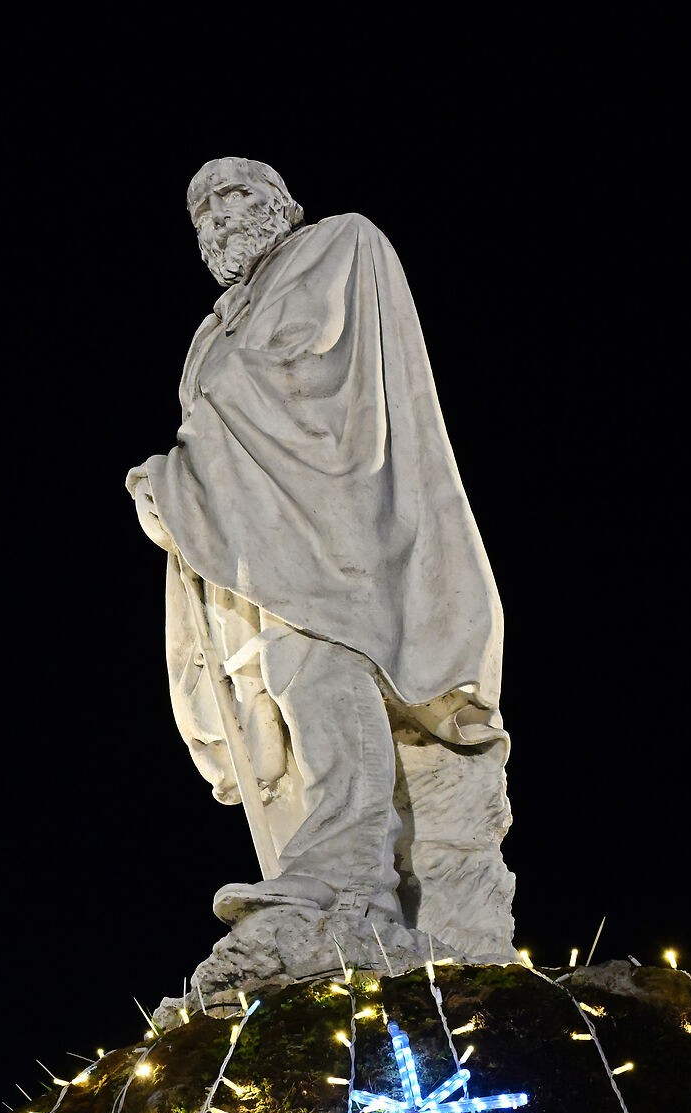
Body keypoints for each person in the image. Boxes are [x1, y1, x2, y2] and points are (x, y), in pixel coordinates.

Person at [126, 157, 516, 989]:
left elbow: (298, 368)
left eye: (236, 197)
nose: (220, 219)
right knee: (287, 694)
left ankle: (349, 878)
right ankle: (343, 870)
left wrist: (184, 465)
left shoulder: (337, 245)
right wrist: (175, 484)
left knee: (319, 671)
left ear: (283, 204)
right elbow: (216, 413)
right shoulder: (210, 327)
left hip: (341, 518)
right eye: (203, 212)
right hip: (259, 538)